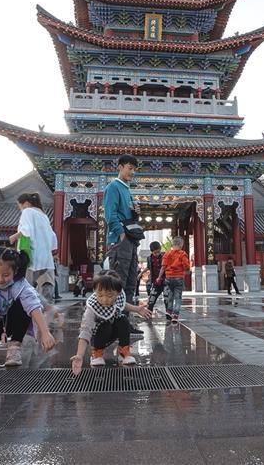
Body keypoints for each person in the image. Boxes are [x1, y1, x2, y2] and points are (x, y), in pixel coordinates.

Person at [70, 270, 152, 373]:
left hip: (111, 333)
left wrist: (137, 309)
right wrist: (79, 355)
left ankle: (124, 352)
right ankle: (97, 354)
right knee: (105, 324)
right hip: (97, 337)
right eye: (100, 295)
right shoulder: (92, 308)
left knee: (122, 319)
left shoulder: (117, 298)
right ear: (95, 290)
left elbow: (121, 305)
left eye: (109, 296)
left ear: (118, 293)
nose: (104, 300)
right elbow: (85, 331)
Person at [103, 154, 144, 335]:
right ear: (120, 167)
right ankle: (114, 324)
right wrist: (120, 234)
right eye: (130, 168)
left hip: (131, 241)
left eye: (134, 169)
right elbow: (110, 214)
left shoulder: (127, 190)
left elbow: (127, 216)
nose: (132, 172)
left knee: (130, 282)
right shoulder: (113, 187)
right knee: (118, 282)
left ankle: (125, 323)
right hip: (120, 241)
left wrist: (135, 212)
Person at [9, 193, 59, 303]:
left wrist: (14, 237)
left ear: (26, 203)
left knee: (26, 287)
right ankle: (45, 309)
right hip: (46, 258)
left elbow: (27, 230)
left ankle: (27, 310)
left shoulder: (27, 211)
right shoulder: (44, 215)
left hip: (32, 256)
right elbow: (52, 236)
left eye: (20, 206)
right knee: (46, 286)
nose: (20, 209)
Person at [157, 236, 191, 324]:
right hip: (178, 277)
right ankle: (175, 315)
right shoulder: (182, 254)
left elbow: (163, 267)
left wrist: (159, 277)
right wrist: (186, 269)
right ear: (181, 244)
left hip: (168, 277)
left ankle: (169, 311)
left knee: (170, 295)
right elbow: (186, 265)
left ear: (173, 244)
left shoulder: (167, 254)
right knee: (178, 297)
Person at [143, 241, 165, 311]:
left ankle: (169, 315)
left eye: (158, 252)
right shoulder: (149, 258)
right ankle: (149, 313)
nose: (157, 254)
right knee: (151, 300)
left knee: (167, 300)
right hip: (156, 282)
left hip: (165, 282)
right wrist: (141, 273)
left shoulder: (164, 257)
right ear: (151, 251)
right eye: (155, 253)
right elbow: (148, 267)